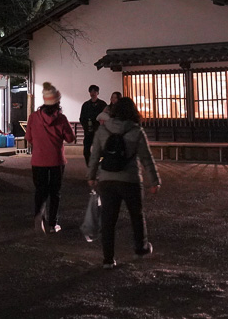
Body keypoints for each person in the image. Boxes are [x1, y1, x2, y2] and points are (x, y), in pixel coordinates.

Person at [87, 96, 160, 269]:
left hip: (106, 179)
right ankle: (140, 248)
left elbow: (95, 155)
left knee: (108, 219)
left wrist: (91, 176)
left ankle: (108, 259)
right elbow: (146, 158)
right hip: (130, 180)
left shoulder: (103, 131)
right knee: (136, 215)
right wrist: (154, 180)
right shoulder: (136, 131)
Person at [25, 81, 76, 233]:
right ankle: (53, 224)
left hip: (38, 160)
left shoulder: (34, 117)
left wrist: (39, 144)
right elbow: (70, 138)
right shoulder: (61, 119)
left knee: (40, 190)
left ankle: (38, 217)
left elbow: (28, 137)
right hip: (56, 161)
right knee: (55, 192)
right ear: (57, 102)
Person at [79, 85, 108, 165]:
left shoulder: (102, 104)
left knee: (100, 150)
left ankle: (99, 166)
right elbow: (82, 118)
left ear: (97, 93)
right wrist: (85, 127)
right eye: (91, 91)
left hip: (100, 131)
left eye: (94, 91)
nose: (93, 93)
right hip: (88, 131)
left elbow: (106, 117)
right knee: (86, 151)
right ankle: (89, 166)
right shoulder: (86, 105)